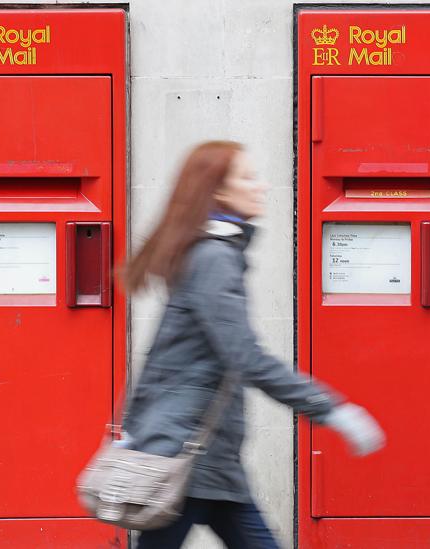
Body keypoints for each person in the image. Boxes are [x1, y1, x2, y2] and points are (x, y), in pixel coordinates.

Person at [122, 141, 385, 548]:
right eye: (248, 177)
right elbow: (248, 357)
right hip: (186, 459)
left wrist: (135, 427)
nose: (262, 186)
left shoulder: (208, 254)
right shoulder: (213, 258)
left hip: (207, 460)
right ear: (219, 193)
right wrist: (331, 409)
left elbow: (163, 358)